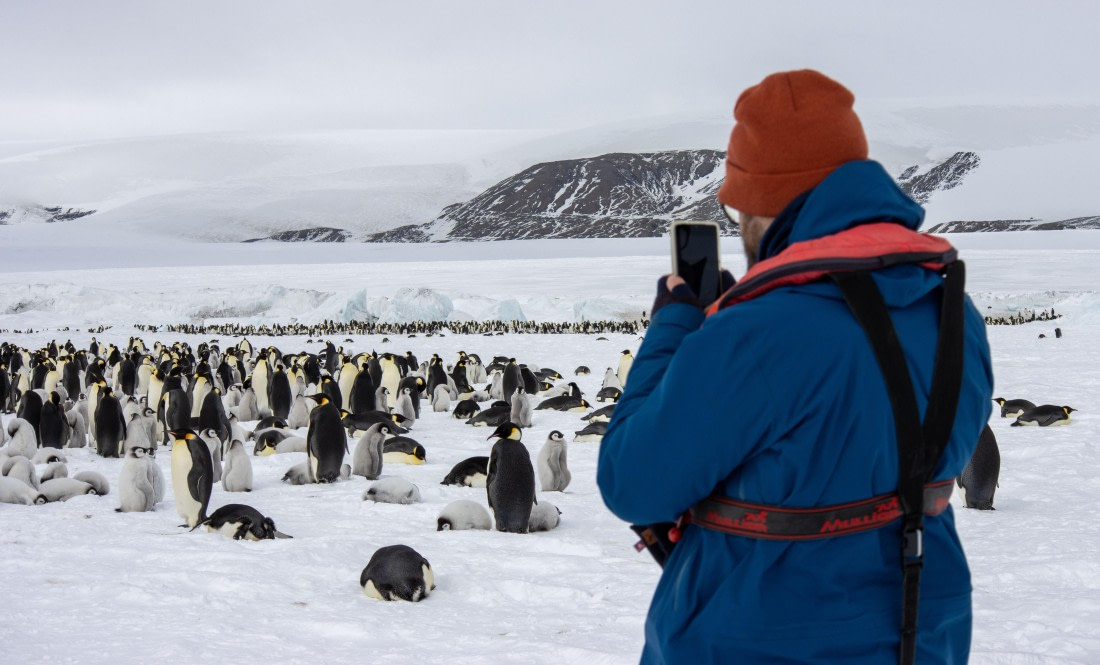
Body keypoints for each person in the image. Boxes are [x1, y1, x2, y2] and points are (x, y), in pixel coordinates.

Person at [597, 69, 994, 664]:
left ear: (761, 207)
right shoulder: (953, 312)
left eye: (738, 214)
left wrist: (676, 326)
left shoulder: (755, 331)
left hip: (753, 640)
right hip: (922, 635)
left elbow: (633, 481)